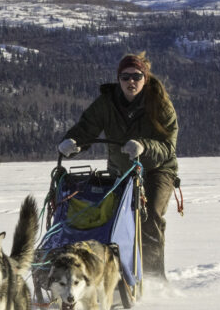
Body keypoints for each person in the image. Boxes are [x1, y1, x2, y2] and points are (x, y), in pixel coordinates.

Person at [58, 52, 179, 281]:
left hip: (157, 169)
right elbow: (87, 127)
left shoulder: (160, 104)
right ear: (118, 79)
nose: (130, 82)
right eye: (125, 77)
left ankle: (153, 279)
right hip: (121, 170)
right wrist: (74, 142)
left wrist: (144, 146)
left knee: (149, 216)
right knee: (109, 219)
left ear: (145, 78)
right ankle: (113, 274)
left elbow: (167, 147)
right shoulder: (107, 102)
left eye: (136, 76)